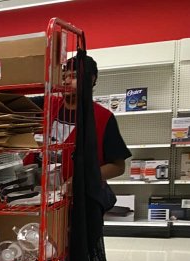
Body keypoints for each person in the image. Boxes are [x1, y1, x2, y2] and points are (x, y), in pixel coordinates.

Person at [33, 55, 131, 210]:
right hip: (40, 199)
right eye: (64, 76)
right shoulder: (46, 105)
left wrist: (82, 179)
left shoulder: (103, 118)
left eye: (74, 77)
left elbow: (118, 166)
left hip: (84, 203)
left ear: (91, 79)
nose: (65, 81)